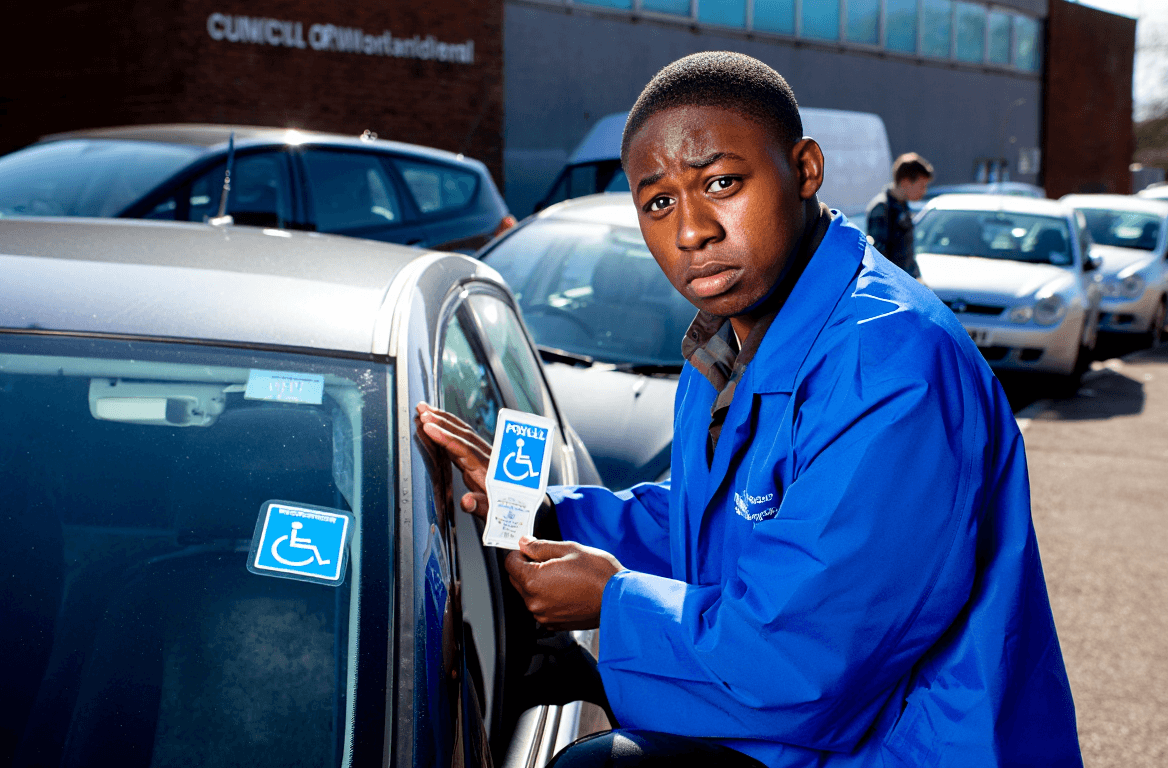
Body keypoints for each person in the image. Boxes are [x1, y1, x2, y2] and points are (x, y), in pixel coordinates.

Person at [418, 51, 1081, 767]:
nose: (692, 230)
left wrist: (612, 603)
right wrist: (550, 515)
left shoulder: (890, 367)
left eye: (721, 183)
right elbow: (713, 523)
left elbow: (803, 661)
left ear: (805, 169)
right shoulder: (730, 338)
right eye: (658, 203)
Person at [866, 152, 933, 280]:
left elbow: (907, 253)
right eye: (922, 186)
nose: (924, 191)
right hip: (892, 284)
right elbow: (878, 256)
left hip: (905, 282)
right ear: (906, 182)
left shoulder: (902, 206)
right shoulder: (882, 208)